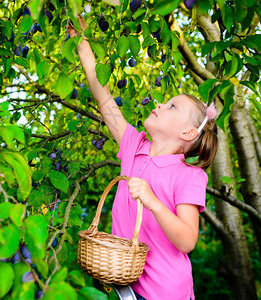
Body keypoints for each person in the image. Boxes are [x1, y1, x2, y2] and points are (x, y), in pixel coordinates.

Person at [67, 15, 219, 300]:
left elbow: (187, 241)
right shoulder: (133, 146)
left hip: (165, 292)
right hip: (127, 284)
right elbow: (105, 100)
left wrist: (153, 202)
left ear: (187, 133)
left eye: (172, 106)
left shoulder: (189, 175)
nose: (161, 103)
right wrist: (82, 43)